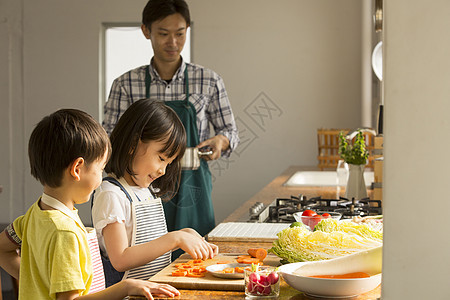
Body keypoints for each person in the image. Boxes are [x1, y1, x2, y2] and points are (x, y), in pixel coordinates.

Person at [0, 109, 180, 299]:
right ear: (77, 169)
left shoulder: (31, 217)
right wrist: (125, 287)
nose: (101, 177)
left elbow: (2, 249)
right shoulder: (65, 233)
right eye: (100, 168)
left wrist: (37, 283)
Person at [103, 0, 240, 248]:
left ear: (188, 28)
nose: (173, 42)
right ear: (146, 31)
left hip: (192, 186)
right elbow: (108, 138)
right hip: (140, 185)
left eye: (180, 33)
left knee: (196, 254)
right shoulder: (125, 83)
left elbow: (229, 131)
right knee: (145, 254)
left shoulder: (208, 80)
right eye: (164, 34)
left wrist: (221, 141)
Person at [92, 99, 219, 287]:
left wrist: (185, 234)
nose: (163, 171)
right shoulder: (111, 194)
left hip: (154, 290)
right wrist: (174, 238)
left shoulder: (145, 191)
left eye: (168, 163)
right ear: (133, 144)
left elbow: (149, 243)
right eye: (161, 158)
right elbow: (120, 259)